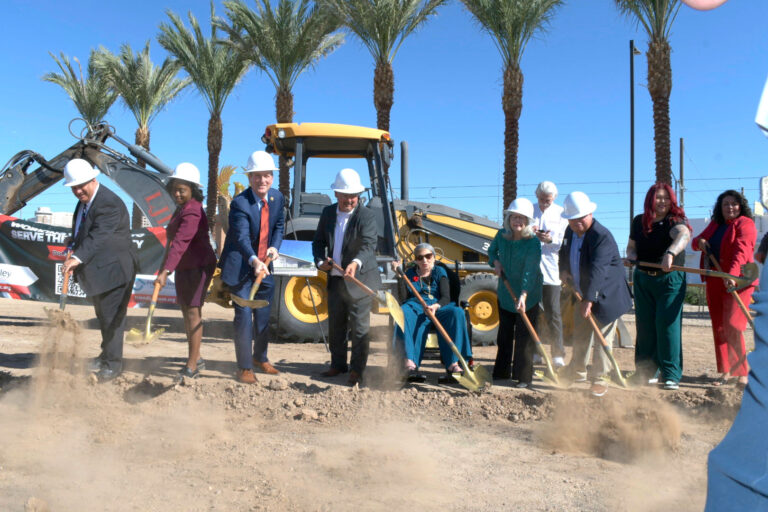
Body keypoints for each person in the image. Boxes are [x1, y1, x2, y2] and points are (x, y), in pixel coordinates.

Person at [61, 159, 137, 382]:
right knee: (104, 316)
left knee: (112, 318)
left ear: (93, 179)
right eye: (73, 187)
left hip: (114, 271)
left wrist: (77, 257)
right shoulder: (85, 202)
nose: (77, 191)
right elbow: (85, 231)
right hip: (100, 271)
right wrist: (73, 243)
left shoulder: (108, 203)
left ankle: (113, 365)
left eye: (81, 185)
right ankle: (106, 356)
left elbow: (99, 235)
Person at [218, 151, 285, 384]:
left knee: (264, 316)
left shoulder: (277, 198)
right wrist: (255, 261)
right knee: (245, 316)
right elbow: (241, 238)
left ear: (272, 177)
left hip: (265, 267)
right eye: (257, 176)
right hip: (242, 268)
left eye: (267, 175)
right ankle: (244, 367)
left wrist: (274, 247)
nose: (262, 180)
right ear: (249, 178)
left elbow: (278, 226)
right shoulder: (240, 203)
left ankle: (260, 358)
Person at [558, 191, 632, 397]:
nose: (577, 223)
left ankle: (600, 378)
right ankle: (577, 372)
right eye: (572, 219)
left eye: (581, 218)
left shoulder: (601, 236)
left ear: (590, 214)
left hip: (607, 295)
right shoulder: (570, 231)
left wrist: (589, 299)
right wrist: (563, 269)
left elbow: (598, 271)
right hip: (582, 293)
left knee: (603, 338)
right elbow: (563, 252)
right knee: (581, 335)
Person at [312, 168, 381, 387]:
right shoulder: (327, 213)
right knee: (336, 326)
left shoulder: (366, 216)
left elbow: (369, 244)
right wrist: (320, 262)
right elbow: (318, 242)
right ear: (336, 194)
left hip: (360, 280)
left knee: (360, 329)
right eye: (345, 195)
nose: (349, 200)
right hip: (335, 279)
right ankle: (338, 364)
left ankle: (357, 371)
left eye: (353, 196)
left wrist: (355, 263)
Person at [154, 163, 217, 381]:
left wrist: (166, 270)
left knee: (193, 311)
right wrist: (163, 268)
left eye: (182, 190)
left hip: (199, 266)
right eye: (175, 190)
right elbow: (172, 241)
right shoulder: (181, 209)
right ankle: (196, 357)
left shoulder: (193, 210)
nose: (177, 194)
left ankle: (192, 365)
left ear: (192, 189)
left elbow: (181, 242)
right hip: (184, 265)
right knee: (185, 310)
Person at [625, 183, 690, 391]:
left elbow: (683, 235)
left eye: (666, 198)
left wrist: (670, 253)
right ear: (650, 200)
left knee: (666, 326)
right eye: (658, 197)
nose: (662, 201)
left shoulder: (674, 221)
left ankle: (670, 374)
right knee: (645, 327)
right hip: (643, 279)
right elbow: (631, 247)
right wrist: (631, 257)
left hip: (669, 280)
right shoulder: (639, 221)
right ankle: (646, 372)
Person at [692, 189, 757, 388]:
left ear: (741, 206)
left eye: (734, 203)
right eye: (725, 204)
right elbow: (695, 243)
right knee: (719, 326)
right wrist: (700, 242)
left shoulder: (746, 223)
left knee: (733, 325)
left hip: (740, 279)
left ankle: (742, 372)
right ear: (720, 208)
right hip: (715, 278)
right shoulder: (715, 224)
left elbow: (742, 251)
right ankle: (726, 371)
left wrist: (732, 275)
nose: (730, 207)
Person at [391, 243, 473, 380]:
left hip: (439, 305)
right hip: (416, 305)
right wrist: (400, 277)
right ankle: (409, 363)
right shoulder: (409, 274)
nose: (424, 260)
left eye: (428, 256)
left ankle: (453, 364)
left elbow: (446, 297)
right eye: (420, 257)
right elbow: (403, 298)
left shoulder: (440, 271)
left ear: (434, 257)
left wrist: (436, 306)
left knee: (457, 312)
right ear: (416, 260)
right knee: (403, 312)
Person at [488, 198, 543, 389]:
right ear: (508, 219)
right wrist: (495, 262)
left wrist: (524, 295)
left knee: (524, 337)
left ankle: (523, 376)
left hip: (529, 293)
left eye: (521, 218)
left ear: (527, 221)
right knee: (504, 335)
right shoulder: (501, 235)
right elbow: (492, 252)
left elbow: (530, 270)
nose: (517, 221)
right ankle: (501, 372)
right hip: (506, 291)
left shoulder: (533, 242)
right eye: (514, 217)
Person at [532, 181, 567, 368]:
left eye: (548, 200)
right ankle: (534, 351)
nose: (544, 203)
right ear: (536, 195)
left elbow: (564, 242)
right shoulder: (528, 210)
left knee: (553, 313)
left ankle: (558, 354)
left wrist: (550, 239)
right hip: (530, 270)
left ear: (554, 198)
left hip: (551, 271)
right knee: (532, 312)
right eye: (542, 199)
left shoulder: (561, 214)